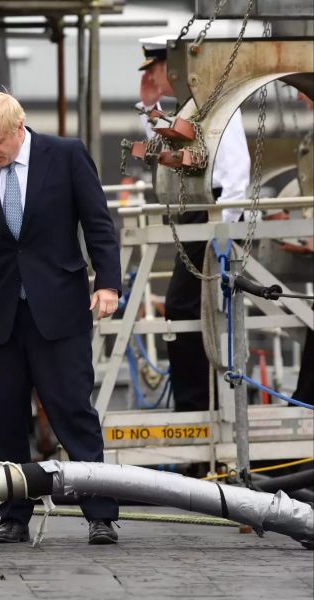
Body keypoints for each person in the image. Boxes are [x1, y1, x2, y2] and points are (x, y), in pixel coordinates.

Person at [0, 91, 121, 545]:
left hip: (58, 309)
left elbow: (97, 224)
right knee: (5, 417)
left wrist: (108, 284)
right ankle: (14, 514)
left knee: (73, 411)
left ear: (20, 129)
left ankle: (100, 513)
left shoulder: (67, 156)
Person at [136, 35, 251, 412]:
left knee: (188, 307)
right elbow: (160, 148)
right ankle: (195, 404)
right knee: (185, 309)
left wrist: (225, 230)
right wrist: (148, 105)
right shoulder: (190, 108)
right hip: (197, 215)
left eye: (155, 70)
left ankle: (198, 404)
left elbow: (236, 174)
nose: (154, 78)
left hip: (215, 215)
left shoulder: (216, 106)